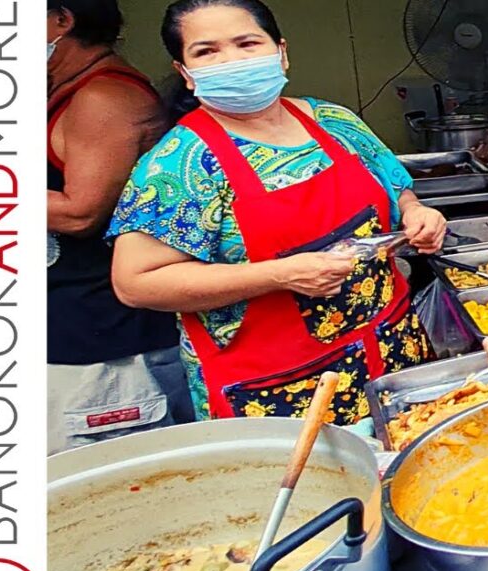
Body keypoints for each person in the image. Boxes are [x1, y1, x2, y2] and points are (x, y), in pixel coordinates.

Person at [108, 0, 445, 424]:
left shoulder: (333, 120)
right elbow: (136, 282)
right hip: (278, 389)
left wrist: (418, 214)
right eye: (207, 51)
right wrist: (280, 275)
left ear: (281, 52)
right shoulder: (180, 163)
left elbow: (397, 190)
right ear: (185, 72)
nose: (232, 60)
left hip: (393, 353)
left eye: (247, 43)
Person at [47, 0, 193, 453]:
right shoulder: (64, 91)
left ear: (62, 20)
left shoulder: (103, 97)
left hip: (107, 352)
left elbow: (81, 211)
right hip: (74, 339)